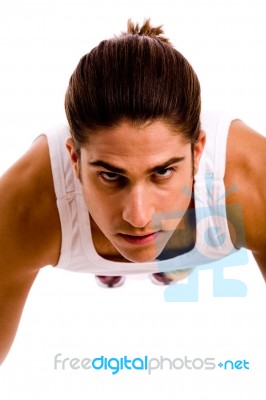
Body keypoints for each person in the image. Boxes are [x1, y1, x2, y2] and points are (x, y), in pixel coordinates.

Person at [0, 18, 265, 364]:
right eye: (111, 176)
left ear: (198, 152)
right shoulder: (25, 208)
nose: (138, 215)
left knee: (169, 244)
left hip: (206, 219)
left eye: (163, 172)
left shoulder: (250, 182)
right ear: (74, 161)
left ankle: (170, 259)